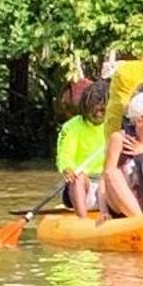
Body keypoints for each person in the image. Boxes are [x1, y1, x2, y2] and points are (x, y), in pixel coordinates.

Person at [57, 80, 110, 212]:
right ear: (85, 108)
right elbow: (64, 154)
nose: (98, 115)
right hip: (81, 185)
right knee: (79, 176)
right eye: (94, 110)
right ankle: (82, 219)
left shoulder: (116, 125)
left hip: (107, 185)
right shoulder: (71, 127)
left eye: (103, 110)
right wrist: (67, 168)